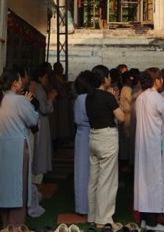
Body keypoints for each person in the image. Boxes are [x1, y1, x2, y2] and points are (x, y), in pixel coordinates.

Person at [0, 66, 39, 227]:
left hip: (2, 145)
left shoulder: (0, 98)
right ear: (14, 83)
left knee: (5, 186)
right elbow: (33, 119)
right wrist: (28, 102)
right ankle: (17, 225)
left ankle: (6, 224)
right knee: (19, 188)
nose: (22, 83)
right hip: (18, 148)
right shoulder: (19, 100)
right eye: (20, 80)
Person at [133, 67, 164, 232]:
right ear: (157, 81)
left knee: (144, 182)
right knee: (155, 182)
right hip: (155, 145)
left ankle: (145, 219)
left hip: (143, 144)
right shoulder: (157, 98)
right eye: (160, 79)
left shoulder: (140, 97)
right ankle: (152, 223)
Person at [87, 65, 125, 226]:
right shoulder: (108, 97)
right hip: (107, 138)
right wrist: (115, 100)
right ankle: (103, 219)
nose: (110, 79)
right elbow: (121, 117)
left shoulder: (89, 96)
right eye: (108, 76)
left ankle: (93, 216)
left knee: (94, 180)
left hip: (93, 136)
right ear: (104, 79)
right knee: (107, 180)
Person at [73, 70, 94, 217]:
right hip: (88, 133)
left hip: (81, 134)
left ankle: (82, 205)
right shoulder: (86, 99)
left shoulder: (79, 98)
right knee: (87, 171)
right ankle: (86, 206)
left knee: (81, 171)